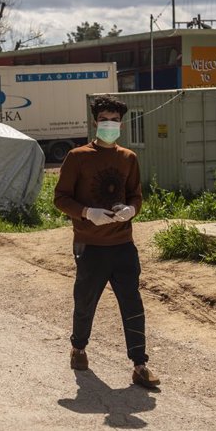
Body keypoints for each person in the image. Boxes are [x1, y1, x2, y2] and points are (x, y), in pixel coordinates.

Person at [54, 94, 160, 389]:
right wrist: (87, 212)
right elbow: (60, 197)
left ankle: (140, 365)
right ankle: (78, 348)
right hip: (90, 245)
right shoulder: (77, 157)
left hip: (123, 244)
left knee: (132, 303)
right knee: (85, 301)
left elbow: (136, 194)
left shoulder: (128, 158)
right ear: (94, 122)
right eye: (104, 120)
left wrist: (131, 210)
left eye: (114, 120)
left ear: (121, 124)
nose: (109, 125)